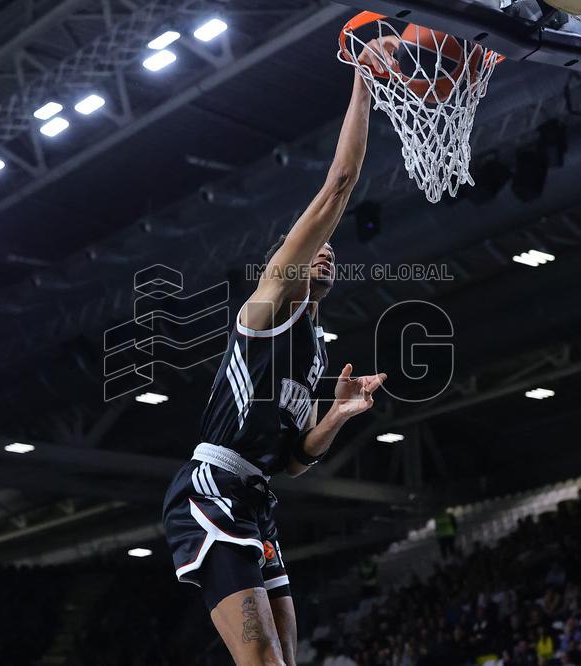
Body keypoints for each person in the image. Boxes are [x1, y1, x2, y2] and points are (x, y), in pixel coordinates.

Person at [162, 37, 399, 666]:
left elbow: (294, 461)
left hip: (258, 495)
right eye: (310, 250)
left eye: (329, 255)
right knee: (262, 658)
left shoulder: (318, 354)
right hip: (212, 486)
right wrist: (365, 83)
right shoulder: (268, 308)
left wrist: (336, 419)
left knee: (288, 658)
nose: (323, 253)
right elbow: (339, 185)